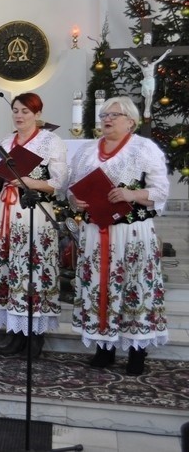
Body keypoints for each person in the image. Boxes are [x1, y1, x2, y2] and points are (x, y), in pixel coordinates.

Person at [68, 96, 169, 375]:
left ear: (131, 121)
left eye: (114, 115)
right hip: (95, 231)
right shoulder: (87, 150)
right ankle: (104, 347)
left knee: (134, 286)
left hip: (131, 232)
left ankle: (137, 352)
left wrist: (132, 194)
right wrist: (76, 201)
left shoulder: (144, 148)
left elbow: (160, 191)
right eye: (103, 115)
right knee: (99, 287)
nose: (107, 119)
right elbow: (72, 188)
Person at [0, 93, 68, 358]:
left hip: (34, 212)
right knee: (11, 271)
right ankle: (16, 333)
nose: (19, 116)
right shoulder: (7, 142)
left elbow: (59, 182)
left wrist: (30, 182)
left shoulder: (50, 141)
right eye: (15, 111)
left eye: (25, 112)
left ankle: (35, 336)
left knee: (34, 270)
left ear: (38, 114)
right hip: (7, 210)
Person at [124, 49, 171, 119]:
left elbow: (159, 59)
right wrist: (129, 54)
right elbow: (135, 60)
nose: (143, 63)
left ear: (147, 61)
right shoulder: (142, 67)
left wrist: (166, 53)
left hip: (151, 81)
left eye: (144, 62)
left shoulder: (152, 65)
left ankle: (147, 108)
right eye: (142, 62)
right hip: (145, 81)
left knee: (150, 95)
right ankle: (146, 109)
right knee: (147, 95)